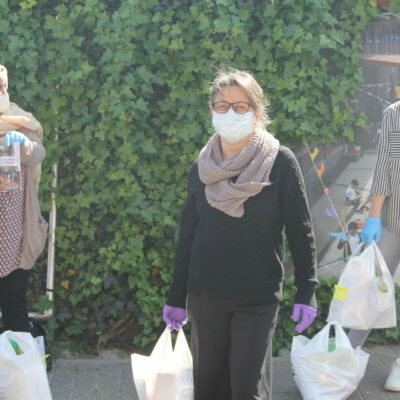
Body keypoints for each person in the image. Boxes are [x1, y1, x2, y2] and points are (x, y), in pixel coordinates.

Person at [162, 68, 318, 400]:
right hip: (206, 295)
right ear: (211, 112)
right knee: (209, 389)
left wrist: (307, 289)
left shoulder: (280, 162)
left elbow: (300, 229)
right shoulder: (201, 169)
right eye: (221, 106)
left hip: (257, 297)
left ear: (257, 113)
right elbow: (188, 235)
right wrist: (176, 297)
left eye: (240, 106)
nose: (230, 113)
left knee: (247, 389)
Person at [349, 100, 400, 392]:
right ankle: (349, 353)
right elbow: (385, 164)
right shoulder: (395, 113)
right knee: (372, 286)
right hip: (393, 218)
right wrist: (374, 216)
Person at [0, 65, 47, 336]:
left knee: (14, 302)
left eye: (2, 88)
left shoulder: (20, 120)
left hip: (16, 234)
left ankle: (20, 372)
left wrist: (23, 145)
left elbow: (36, 153)